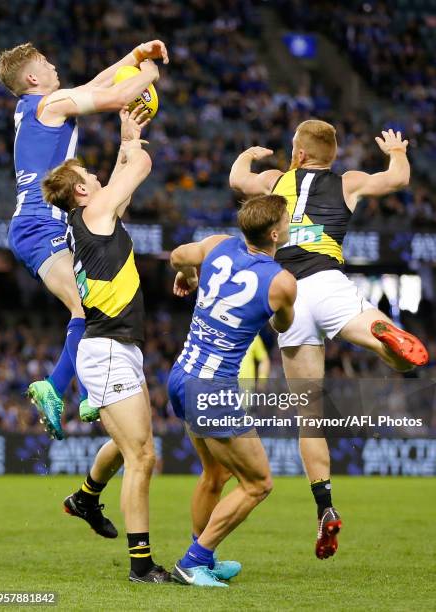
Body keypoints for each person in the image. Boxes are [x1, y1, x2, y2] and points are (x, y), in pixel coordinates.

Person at [229, 121, 429, 559]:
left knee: (310, 415)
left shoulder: (273, 181)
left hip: (287, 291)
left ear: (297, 154)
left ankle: (325, 507)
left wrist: (251, 154)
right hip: (329, 280)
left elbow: (237, 179)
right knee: (398, 356)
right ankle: (382, 337)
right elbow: (398, 178)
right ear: (331, 156)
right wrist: (396, 151)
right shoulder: (347, 183)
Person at [0, 40, 168, 439]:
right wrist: (150, 75)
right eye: (46, 62)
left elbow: (97, 83)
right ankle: (60, 388)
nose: (55, 65)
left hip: (40, 226)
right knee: (84, 309)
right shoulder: (51, 105)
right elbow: (117, 95)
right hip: (41, 225)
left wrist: (135, 55)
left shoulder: (39, 107)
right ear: (34, 77)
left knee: (88, 307)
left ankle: (77, 391)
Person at [41, 108, 170, 583]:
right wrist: (131, 142)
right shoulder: (93, 211)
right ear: (79, 190)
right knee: (143, 456)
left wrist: (127, 137)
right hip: (108, 347)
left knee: (126, 446)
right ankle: (141, 566)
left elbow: (121, 180)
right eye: (88, 175)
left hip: (115, 347)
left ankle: (86, 497)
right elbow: (139, 171)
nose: (96, 175)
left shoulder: (91, 215)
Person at [168, 194, 296, 587]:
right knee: (258, 484)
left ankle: (203, 555)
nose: (290, 224)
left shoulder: (216, 244)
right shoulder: (281, 281)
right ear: (274, 233)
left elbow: (176, 256)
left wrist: (189, 278)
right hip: (213, 389)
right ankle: (194, 560)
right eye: (288, 220)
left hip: (181, 375)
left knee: (215, 473)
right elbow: (283, 327)